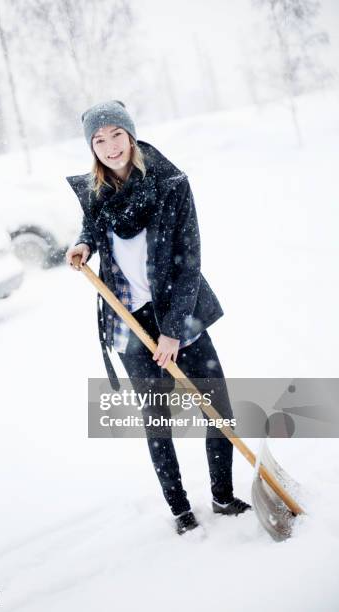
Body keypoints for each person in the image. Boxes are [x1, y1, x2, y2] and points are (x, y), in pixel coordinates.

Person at [66, 100, 251, 535]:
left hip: (178, 313)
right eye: (99, 140)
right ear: (92, 147)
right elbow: (93, 229)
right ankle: (180, 510)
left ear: (130, 135)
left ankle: (222, 497)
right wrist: (83, 246)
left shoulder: (170, 183)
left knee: (217, 410)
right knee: (159, 420)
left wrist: (172, 332)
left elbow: (190, 263)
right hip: (130, 321)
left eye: (116, 135)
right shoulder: (97, 192)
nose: (110, 147)